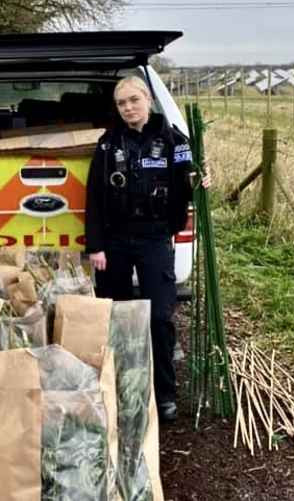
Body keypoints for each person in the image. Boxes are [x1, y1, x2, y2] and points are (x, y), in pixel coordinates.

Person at [85, 75, 209, 423]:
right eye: (121, 103)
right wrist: (96, 246)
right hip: (114, 241)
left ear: (148, 100)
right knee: (119, 318)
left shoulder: (173, 140)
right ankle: (124, 391)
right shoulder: (109, 145)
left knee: (158, 318)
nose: (128, 108)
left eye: (133, 100)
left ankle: (165, 394)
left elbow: (191, 174)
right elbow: (93, 198)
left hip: (156, 239)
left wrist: (202, 177)